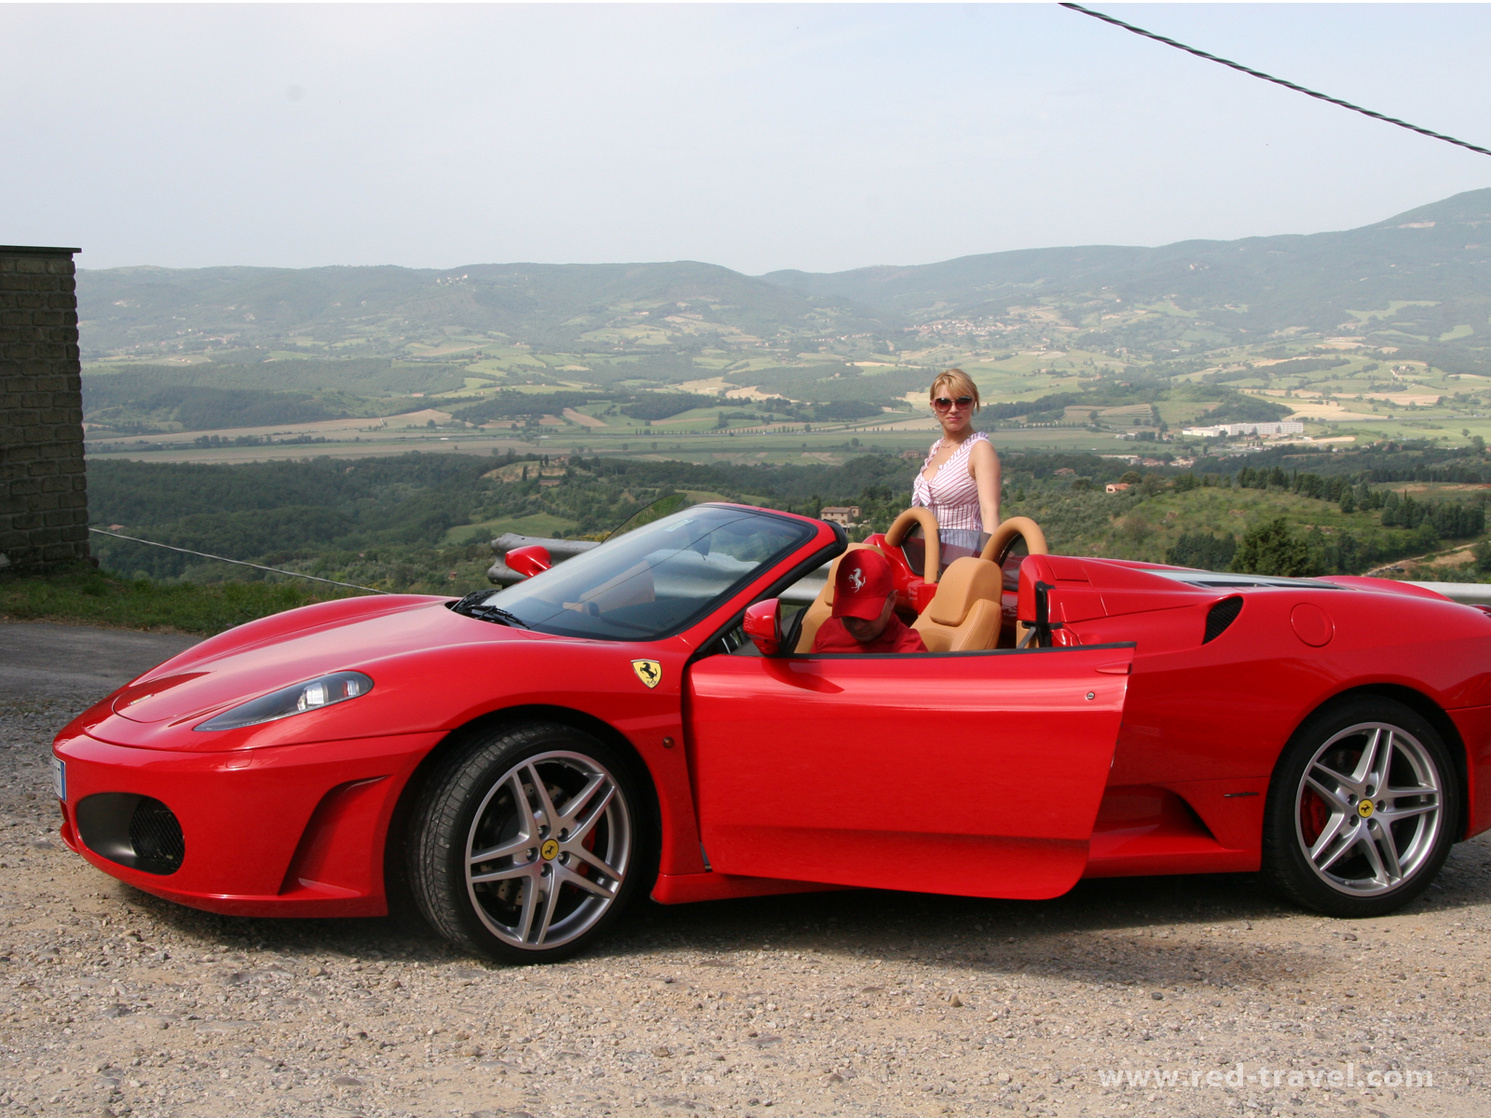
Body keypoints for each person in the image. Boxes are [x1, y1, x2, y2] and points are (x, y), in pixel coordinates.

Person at [911, 368, 1001, 558]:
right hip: (927, 557)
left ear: (973, 403)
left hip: (963, 556)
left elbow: (989, 511)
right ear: (933, 406)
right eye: (943, 402)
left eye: (962, 401)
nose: (953, 409)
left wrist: (988, 565)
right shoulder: (935, 448)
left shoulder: (980, 449)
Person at [812, 549, 927, 654]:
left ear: (892, 600)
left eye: (867, 617)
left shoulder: (908, 651)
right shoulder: (828, 630)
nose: (857, 627)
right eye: (848, 617)